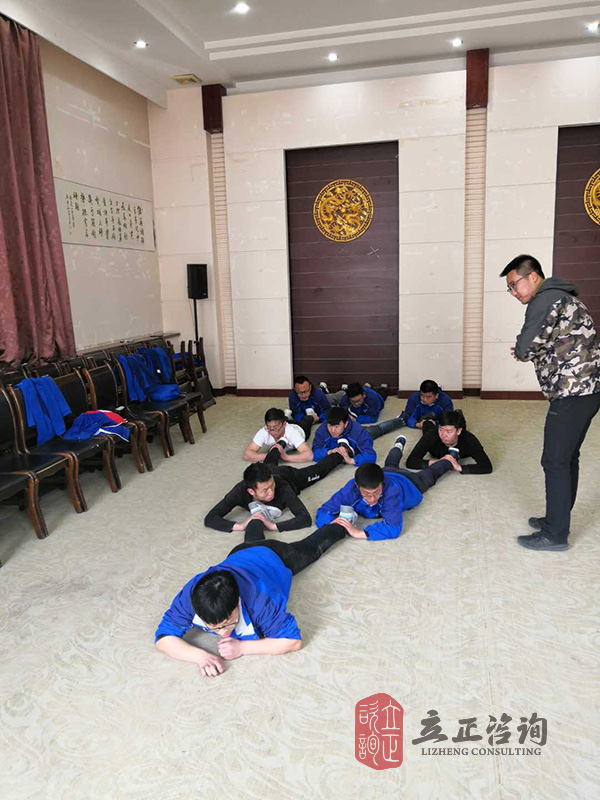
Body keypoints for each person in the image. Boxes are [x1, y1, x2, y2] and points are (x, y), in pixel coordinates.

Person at [154, 523, 349, 677]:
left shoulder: (260, 602)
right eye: (213, 627)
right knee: (250, 542)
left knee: (313, 548)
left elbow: (293, 641)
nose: (223, 633)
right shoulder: (190, 596)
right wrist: (200, 656)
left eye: (227, 623)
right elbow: (163, 637)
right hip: (239, 554)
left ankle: (342, 524)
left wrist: (242, 648)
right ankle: (256, 519)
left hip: (274, 556)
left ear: (238, 601)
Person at [501, 254, 600, 551]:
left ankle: (555, 534)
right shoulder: (564, 297)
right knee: (567, 457)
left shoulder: (544, 299)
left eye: (514, 284)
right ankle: (558, 518)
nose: (513, 292)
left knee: (555, 460)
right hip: (588, 390)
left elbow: (526, 346)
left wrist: (521, 350)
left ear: (532, 277)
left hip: (572, 391)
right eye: (509, 288)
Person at [315, 437, 459, 539]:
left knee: (431, 474)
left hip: (410, 483)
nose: (372, 499)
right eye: (367, 494)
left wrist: (359, 533)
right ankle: (398, 445)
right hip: (387, 472)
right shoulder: (351, 488)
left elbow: (393, 528)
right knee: (390, 463)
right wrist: (331, 523)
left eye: (376, 493)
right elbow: (323, 511)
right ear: (357, 486)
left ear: (382, 484)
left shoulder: (391, 492)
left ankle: (450, 457)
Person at [204, 454, 345, 538]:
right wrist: (240, 525)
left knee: (318, 471)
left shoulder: (281, 486)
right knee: (269, 463)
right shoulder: (239, 491)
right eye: (265, 490)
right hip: (269, 471)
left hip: (289, 476)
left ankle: (340, 454)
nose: (271, 492)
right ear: (251, 492)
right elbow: (210, 518)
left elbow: (305, 519)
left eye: (272, 486)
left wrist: (273, 526)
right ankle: (276, 448)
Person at [405, 409, 493, 475]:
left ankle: (459, 415)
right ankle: (429, 420)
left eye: (449, 431)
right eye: (441, 430)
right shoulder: (432, 436)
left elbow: (487, 466)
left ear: (458, 431)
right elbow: (411, 461)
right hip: (434, 442)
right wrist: (436, 462)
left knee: (461, 424)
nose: (443, 435)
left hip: (461, 437)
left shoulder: (469, 439)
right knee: (428, 425)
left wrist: (460, 467)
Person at [244, 408, 313, 464]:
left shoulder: (293, 432)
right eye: (269, 427)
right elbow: (247, 455)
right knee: (283, 419)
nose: (272, 431)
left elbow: (309, 456)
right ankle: (286, 415)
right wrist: (271, 456)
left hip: (300, 427)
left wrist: (285, 457)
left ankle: (311, 415)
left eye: (275, 427)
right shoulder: (264, 431)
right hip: (284, 423)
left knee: (308, 420)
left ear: (284, 424)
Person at [312, 407, 377, 466]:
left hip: (364, 432)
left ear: (345, 424)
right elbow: (315, 452)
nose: (333, 430)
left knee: (376, 430)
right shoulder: (322, 430)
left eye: (336, 427)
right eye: (330, 426)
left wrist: (351, 460)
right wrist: (329, 452)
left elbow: (370, 455)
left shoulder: (358, 432)